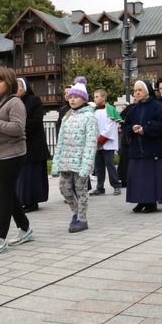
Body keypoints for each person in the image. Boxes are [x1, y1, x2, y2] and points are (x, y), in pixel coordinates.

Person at [0, 67, 34, 255]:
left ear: (8, 83)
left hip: (13, 154)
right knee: (7, 192)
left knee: (4, 195)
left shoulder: (15, 102)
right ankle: (25, 228)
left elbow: (18, 128)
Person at [51, 77, 99, 233]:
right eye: (70, 97)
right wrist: (56, 163)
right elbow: (60, 142)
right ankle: (76, 211)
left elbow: (91, 143)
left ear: (83, 99)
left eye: (76, 97)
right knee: (64, 188)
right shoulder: (67, 116)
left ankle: (82, 219)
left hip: (80, 162)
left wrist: (87, 165)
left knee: (81, 189)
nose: (72, 99)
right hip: (66, 161)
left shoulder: (89, 117)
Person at [124, 80, 162, 212]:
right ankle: (141, 201)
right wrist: (132, 128)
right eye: (135, 90)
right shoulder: (134, 109)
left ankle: (151, 202)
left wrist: (145, 129)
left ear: (147, 91)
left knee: (149, 177)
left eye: (140, 90)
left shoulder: (157, 106)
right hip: (136, 149)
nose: (137, 93)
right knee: (138, 177)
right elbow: (125, 126)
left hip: (152, 148)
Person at [15, 78, 50, 212]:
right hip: (20, 143)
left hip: (33, 144)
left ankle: (32, 201)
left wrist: (18, 127)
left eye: (17, 86)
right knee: (22, 174)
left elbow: (36, 120)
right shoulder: (13, 101)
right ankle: (22, 200)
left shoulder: (34, 100)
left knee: (31, 174)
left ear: (25, 88)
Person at [91, 88, 123, 196]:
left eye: (97, 97)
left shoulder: (110, 110)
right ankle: (100, 187)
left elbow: (110, 127)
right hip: (96, 143)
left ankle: (116, 185)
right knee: (98, 167)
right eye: (94, 97)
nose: (94, 99)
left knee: (110, 165)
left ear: (103, 97)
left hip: (107, 143)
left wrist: (101, 140)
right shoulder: (93, 111)